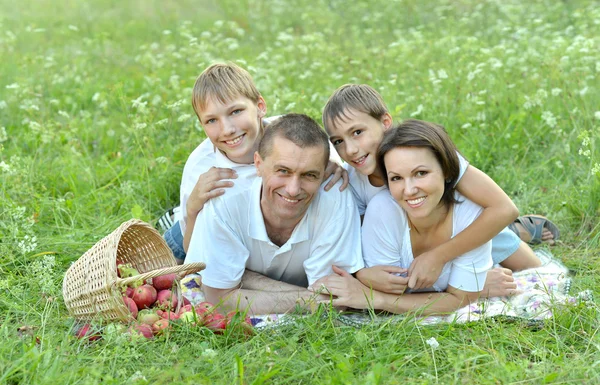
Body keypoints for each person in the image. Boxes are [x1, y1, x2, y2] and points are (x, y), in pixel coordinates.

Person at [321, 84, 556, 295]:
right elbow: (360, 243)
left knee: (537, 275)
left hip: (464, 230)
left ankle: (516, 231)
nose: (350, 150)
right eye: (338, 142)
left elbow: (503, 208)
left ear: (385, 122)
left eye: (357, 132)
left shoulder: (425, 153)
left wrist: (439, 258)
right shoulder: (351, 180)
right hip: (411, 241)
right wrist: (362, 273)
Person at [312, 120, 543, 314]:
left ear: (447, 171)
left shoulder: (469, 208)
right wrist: (362, 276)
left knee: (534, 269)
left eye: (420, 173)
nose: (409, 189)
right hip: (410, 227)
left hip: (474, 228)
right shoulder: (372, 199)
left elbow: (461, 298)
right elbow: (385, 291)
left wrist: (465, 285)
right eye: (396, 178)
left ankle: (515, 230)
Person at [162, 62, 347, 264]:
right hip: (189, 236)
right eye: (211, 120)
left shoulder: (288, 135)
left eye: (235, 112)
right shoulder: (201, 167)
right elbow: (195, 255)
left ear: (260, 107)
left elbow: (319, 154)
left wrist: (334, 164)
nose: (227, 130)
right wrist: (192, 209)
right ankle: (173, 216)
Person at [184, 114, 364, 314]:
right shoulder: (224, 201)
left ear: (324, 173)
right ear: (258, 164)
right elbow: (218, 299)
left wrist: (241, 278)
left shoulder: (335, 197)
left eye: (309, 175)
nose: (293, 189)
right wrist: (307, 299)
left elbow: (331, 302)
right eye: (283, 171)